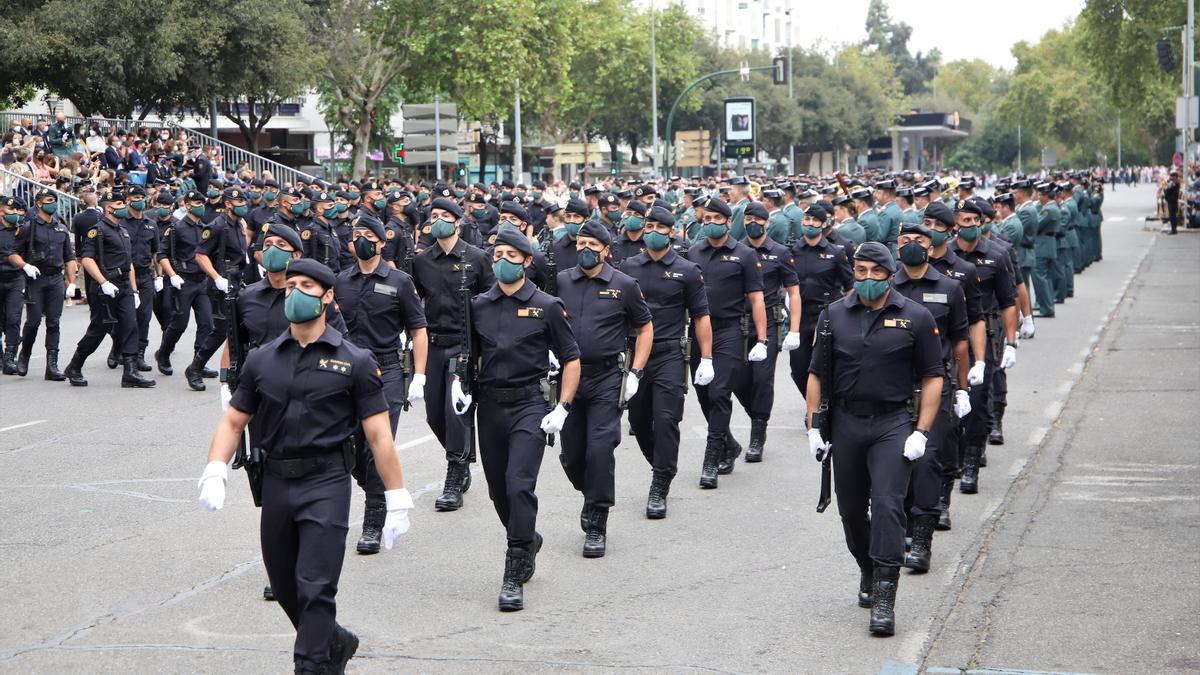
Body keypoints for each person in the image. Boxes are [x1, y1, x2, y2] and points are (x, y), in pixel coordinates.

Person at [196, 258, 413, 674]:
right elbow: (234, 420)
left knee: (316, 587)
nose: (295, 292)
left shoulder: (356, 361)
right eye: (291, 284)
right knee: (284, 585)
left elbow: (379, 435)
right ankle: (332, 640)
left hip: (327, 481)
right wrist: (215, 467)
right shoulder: (262, 359)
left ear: (328, 297)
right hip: (276, 482)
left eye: (307, 286)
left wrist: (396, 494)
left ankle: (310, 664)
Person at [805, 241, 943, 637]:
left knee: (887, 505)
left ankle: (885, 593)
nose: (867, 279)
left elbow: (933, 375)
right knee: (850, 511)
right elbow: (817, 372)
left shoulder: (915, 316)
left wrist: (922, 431)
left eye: (876, 272)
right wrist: (813, 425)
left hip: (892, 424)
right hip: (846, 422)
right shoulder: (833, 315)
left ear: (890, 273)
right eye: (861, 271)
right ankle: (867, 566)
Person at [454, 227, 580, 611]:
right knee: (497, 490)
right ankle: (526, 538)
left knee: (518, 483)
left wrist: (563, 407)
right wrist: (458, 385)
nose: (502, 261)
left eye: (512, 255)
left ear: (527, 261)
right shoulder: (477, 305)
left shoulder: (547, 305)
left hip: (529, 404)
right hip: (490, 405)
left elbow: (572, 358)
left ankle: (514, 569)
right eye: (497, 254)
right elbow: (468, 354)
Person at [555, 220, 653, 557]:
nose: (585, 250)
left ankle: (597, 519)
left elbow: (644, 328)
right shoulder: (563, 281)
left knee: (599, 449)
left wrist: (636, 372)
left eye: (592, 245)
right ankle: (590, 493)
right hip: (569, 378)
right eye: (580, 244)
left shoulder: (624, 284)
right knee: (571, 455)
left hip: (606, 378)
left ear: (606, 250)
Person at [333, 214, 429, 554]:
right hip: (345, 372)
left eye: (368, 235)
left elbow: (418, 329)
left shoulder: (400, 281)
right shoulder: (340, 281)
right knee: (350, 446)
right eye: (356, 234)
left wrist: (419, 374)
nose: (361, 240)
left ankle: (373, 519)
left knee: (377, 446)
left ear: (381, 242)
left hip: (385, 371)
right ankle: (380, 492)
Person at [620, 209, 713, 518]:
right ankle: (661, 465)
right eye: (650, 226)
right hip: (636, 356)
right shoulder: (629, 266)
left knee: (666, 419)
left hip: (670, 354)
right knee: (638, 420)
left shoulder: (687, 270)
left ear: (672, 232)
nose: (654, 230)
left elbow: (700, 316)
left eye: (660, 226)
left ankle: (660, 482)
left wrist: (707, 358)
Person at [890, 222, 970, 572]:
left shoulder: (950, 288)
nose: (911, 245)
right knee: (894, 462)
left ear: (932, 244)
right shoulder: (887, 284)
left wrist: (964, 387)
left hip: (933, 387)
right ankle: (902, 528)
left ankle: (922, 541)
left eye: (918, 240)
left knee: (927, 462)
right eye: (904, 240)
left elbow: (961, 343)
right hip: (891, 388)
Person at [411, 197, 494, 511]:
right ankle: (461, 456)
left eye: (446, 215)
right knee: (434, 414)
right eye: (435, 215)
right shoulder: (421, 262)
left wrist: (485, 350)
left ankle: (454, 475)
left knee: (454, 412)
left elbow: (489, 302)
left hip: (464, 344)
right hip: (433, 343)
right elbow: (417, 299)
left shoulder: (478, 258)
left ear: (458, 222)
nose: (440, 220)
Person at [686, 198, 767, 486]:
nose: (709, 223)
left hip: (730, 331)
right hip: (698, 332)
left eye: (715, 218)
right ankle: (729, 443)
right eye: (705, 218)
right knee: (704, 392)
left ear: (727, 220)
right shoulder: (694, 252)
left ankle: (711, 459)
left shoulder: (744, 254)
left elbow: (757, 299)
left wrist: (763, 339)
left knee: (720, 392)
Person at [950, 199, 1018, 494]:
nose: (968, 226)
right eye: (962, 220)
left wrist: (1011, 343)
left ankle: (971, 462)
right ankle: (955, 455)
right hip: (950, 336)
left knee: (977, 402)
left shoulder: (997, 255)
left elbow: (1008, 302)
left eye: (973, 220)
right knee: (949, 402)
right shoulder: (944, 255)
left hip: (984, 336)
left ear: (981, 223)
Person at [62, 189, 156, 388]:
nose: (124, 207)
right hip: (104, 288)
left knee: (131, 325)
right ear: (109, 208)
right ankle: (75, 365)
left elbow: (128, 263)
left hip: (123, 286)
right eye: (120, 205)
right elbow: (87, 259)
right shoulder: (98, 230)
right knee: (99, 329)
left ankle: (130, 372)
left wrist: (134, 290)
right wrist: (103, 282)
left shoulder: (122, 231)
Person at [734, 201, 802, 462]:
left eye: (757, 219)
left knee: (762, 379)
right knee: (738, 379)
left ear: (767, 223)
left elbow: (794, 292)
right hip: (739, 323)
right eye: (747, 218)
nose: (752, 223)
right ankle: (757, 415)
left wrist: (793, 329)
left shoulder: (780, 252)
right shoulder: (735, 250)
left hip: (770, 324)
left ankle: (757, 432)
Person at [8, 190, 76, 379]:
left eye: (54, 201)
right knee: (34, 321)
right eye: (48, 201)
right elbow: (13, 254)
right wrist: (25, 266)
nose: (52, 204)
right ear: (38, 204)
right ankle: (25, 355)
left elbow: (69, 258)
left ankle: (52, 366)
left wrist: (71, 283)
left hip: (55, 279)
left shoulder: (61, 228)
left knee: (54, 322)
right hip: (36, 278)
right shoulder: (29, 228)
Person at [787, 203, 853, 397]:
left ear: (824, 224)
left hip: (826, 316)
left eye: (815, 220)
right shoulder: (791, 251)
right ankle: (811, 402)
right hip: (800, 317)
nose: (810, 223)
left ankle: (821, 409)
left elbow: (849, 287)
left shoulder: (836, 252)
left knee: (825, 367)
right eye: (807, 219)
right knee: (798, 368)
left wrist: (849, 316)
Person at [156, 191, 216, 389]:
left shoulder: (205, 227)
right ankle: (164, 353)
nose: (200, 206)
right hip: (184, 281)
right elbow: (161, 254)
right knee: (179, 323)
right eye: (197, 203)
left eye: (202, 202)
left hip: (202, 281)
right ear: (188, 205)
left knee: (207, 323)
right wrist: (172, 275)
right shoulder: (177, 228)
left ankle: (199, 363)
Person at [0, 196, 29, 375]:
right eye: (11, 211)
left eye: (17, 211)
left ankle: (10, 358)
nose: (15, 214)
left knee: (13, 317)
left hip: (16, 278)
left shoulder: (23, 230)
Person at [1031, 182, 1060, 317]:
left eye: (1040, 195)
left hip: (1043, 246)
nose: (1038, 198)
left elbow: (1036, 224)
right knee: (1046, 278)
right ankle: (1047, 306)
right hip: (1048, 245)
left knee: (1040, 278)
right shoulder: (1052, 207)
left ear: (1045, 196)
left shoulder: (1048, 209)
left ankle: (1046, 308)